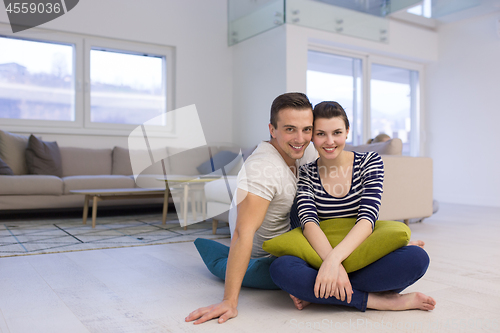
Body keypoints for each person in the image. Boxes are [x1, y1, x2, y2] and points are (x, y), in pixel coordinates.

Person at [269, 101, 436, 312]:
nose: (329, 141)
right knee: (280, 269)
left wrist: (334, 263)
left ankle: (320, 293)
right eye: (321, 134)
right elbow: (309, 223)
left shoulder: (370, 162)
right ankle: (380, 301)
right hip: (321, 254)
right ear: (312, 136)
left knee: (417, 259)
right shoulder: (306, 172)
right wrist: (331, 263)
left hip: (356, 252)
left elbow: (367, 219)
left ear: (347, 131)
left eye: (337, 132)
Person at [185, 92, 317, 325]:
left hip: (294, 240)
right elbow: (242, 232)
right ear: (272, 129)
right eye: (290, 129)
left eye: (307, 129)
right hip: (268, 259)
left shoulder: (301, 151)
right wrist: (229, 301)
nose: (300, 138)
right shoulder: (262, 168)